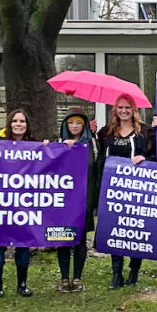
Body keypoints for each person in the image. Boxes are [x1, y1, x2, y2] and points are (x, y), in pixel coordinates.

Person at [0, 108, 39, 297]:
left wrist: (49, 148)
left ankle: (22, 284)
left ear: (27, 125)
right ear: (9, 124)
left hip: (24, 204)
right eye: (15, 121)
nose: (18, 124)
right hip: (0, 203)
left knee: (23, 244)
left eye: (22, 121)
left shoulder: (35, 146)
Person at [97, 94, 157, 288]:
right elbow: (96, 155)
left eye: (127, 108)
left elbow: (156, 155)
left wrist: (144, 157)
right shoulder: (106, 132)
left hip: (136, 189)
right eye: (120, 108)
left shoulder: (145, 132)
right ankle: (116, 273)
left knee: (134, 230)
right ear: (115, 110)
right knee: (114, 229)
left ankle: (133, 272)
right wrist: (88, 133)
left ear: (134, 110)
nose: (123, 111)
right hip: (112, 188)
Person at [56, 108, 97, 293]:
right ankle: (64, 278)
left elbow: (95, 169)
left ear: (84, 125)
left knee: (80, 239)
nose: (74, 126)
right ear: (65, 124)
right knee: (63, 237)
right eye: (71, 122)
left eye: (78, 123)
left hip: (84, 198)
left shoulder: (92, 144)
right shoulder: (57, 144)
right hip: (62, 200)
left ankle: (78, 277)